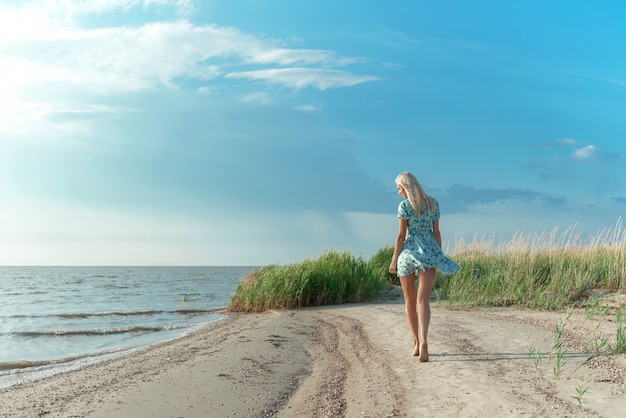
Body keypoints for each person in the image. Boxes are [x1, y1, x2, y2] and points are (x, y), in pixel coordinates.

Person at [389, 172, 459, 362]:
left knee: (409, 301)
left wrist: (394, 259)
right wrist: (438, 255)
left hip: (408, 253)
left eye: (399, 188)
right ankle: (425, 341)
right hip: (429, 252)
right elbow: (436, 232)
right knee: (423, 301)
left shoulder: (404, 206)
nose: (398, 192)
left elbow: (401, 236)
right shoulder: (432, 203)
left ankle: (416, 343)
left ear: (406, 187)